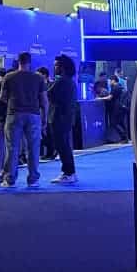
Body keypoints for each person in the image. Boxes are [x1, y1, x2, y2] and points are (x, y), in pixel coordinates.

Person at [0, 51, 48, 188]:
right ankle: (33, 179)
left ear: (18, 61)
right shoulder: (38, 78)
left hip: (14, 114)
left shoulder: (9, 77)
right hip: (34, 115)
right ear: (29, 62)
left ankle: (10, 179)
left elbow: (2, 97)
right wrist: (44, 118)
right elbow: (44, 101)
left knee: (12, 148)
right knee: (33, 148)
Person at [47, 55, 79, 184]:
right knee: (64, 146)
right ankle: (69, 172)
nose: (54, 68)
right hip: (64, 118)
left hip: (59, 118)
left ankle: (68, 172)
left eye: (56, 65)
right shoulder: (69, 81)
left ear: (62, 67)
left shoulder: (62, 82)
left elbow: (49, 94)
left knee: (62, 146)